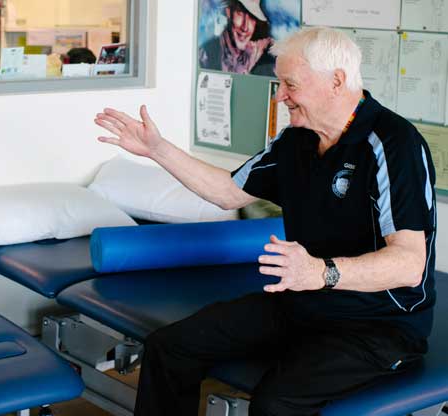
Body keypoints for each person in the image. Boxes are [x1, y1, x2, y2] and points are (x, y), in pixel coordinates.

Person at [95, 27, 437, 416]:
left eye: (290, 84)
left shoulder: (393, 144)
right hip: (304, 301)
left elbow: (411, 264)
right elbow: (228, 191)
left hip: (379, 325)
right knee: (169, 346)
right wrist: (158, 150)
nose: (280, 96)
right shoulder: (297, 139)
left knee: (275, 404)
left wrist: (322, 273)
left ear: (336, 82)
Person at [198, 0, 274, 75]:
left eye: (252, 17)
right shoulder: (206, 54)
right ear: (228, 12)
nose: (245, 27)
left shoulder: (262, 57)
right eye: (240, 13)